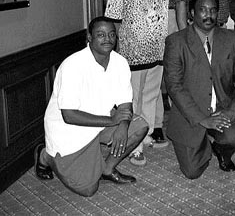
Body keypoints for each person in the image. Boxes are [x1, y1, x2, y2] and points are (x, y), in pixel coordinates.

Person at [34, 17, 149, 197]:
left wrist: (123, 125)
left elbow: (125, 103)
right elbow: (69, 116)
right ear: (89, 37)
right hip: (69, 132)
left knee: (139, 126)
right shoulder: (73, 66)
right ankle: (45, 156)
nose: (108, 39)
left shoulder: (119, 62)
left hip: (101, 120)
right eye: (101, 35)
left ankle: (107, 169)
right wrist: (113, 120)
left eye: (112, 34)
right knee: (88, 189)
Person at [163, 0, 235, 179]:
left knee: (233, 136)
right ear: (192, 13)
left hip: (222, 107)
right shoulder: (176, 42)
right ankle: (204, 141)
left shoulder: (233, 39)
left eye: (213, 10)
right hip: (190, 113)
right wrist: (201, 119)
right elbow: (174, 86)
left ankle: (220, 148)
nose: (208, 15)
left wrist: (232, 111)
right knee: (192, 172)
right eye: (202, 10)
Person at [104, 0, 169, 166]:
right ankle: (134, 146)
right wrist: (121, 45)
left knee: (151, 96)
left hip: (157, 48)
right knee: (134, 99)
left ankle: (147, 133)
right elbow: (112, 14)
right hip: (133, 51)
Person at [151, 0, 190, 148]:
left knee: (180, 70)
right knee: (156, 74)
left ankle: (181, 119)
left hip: (180, 15)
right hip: (156, 18)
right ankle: (155, 125)